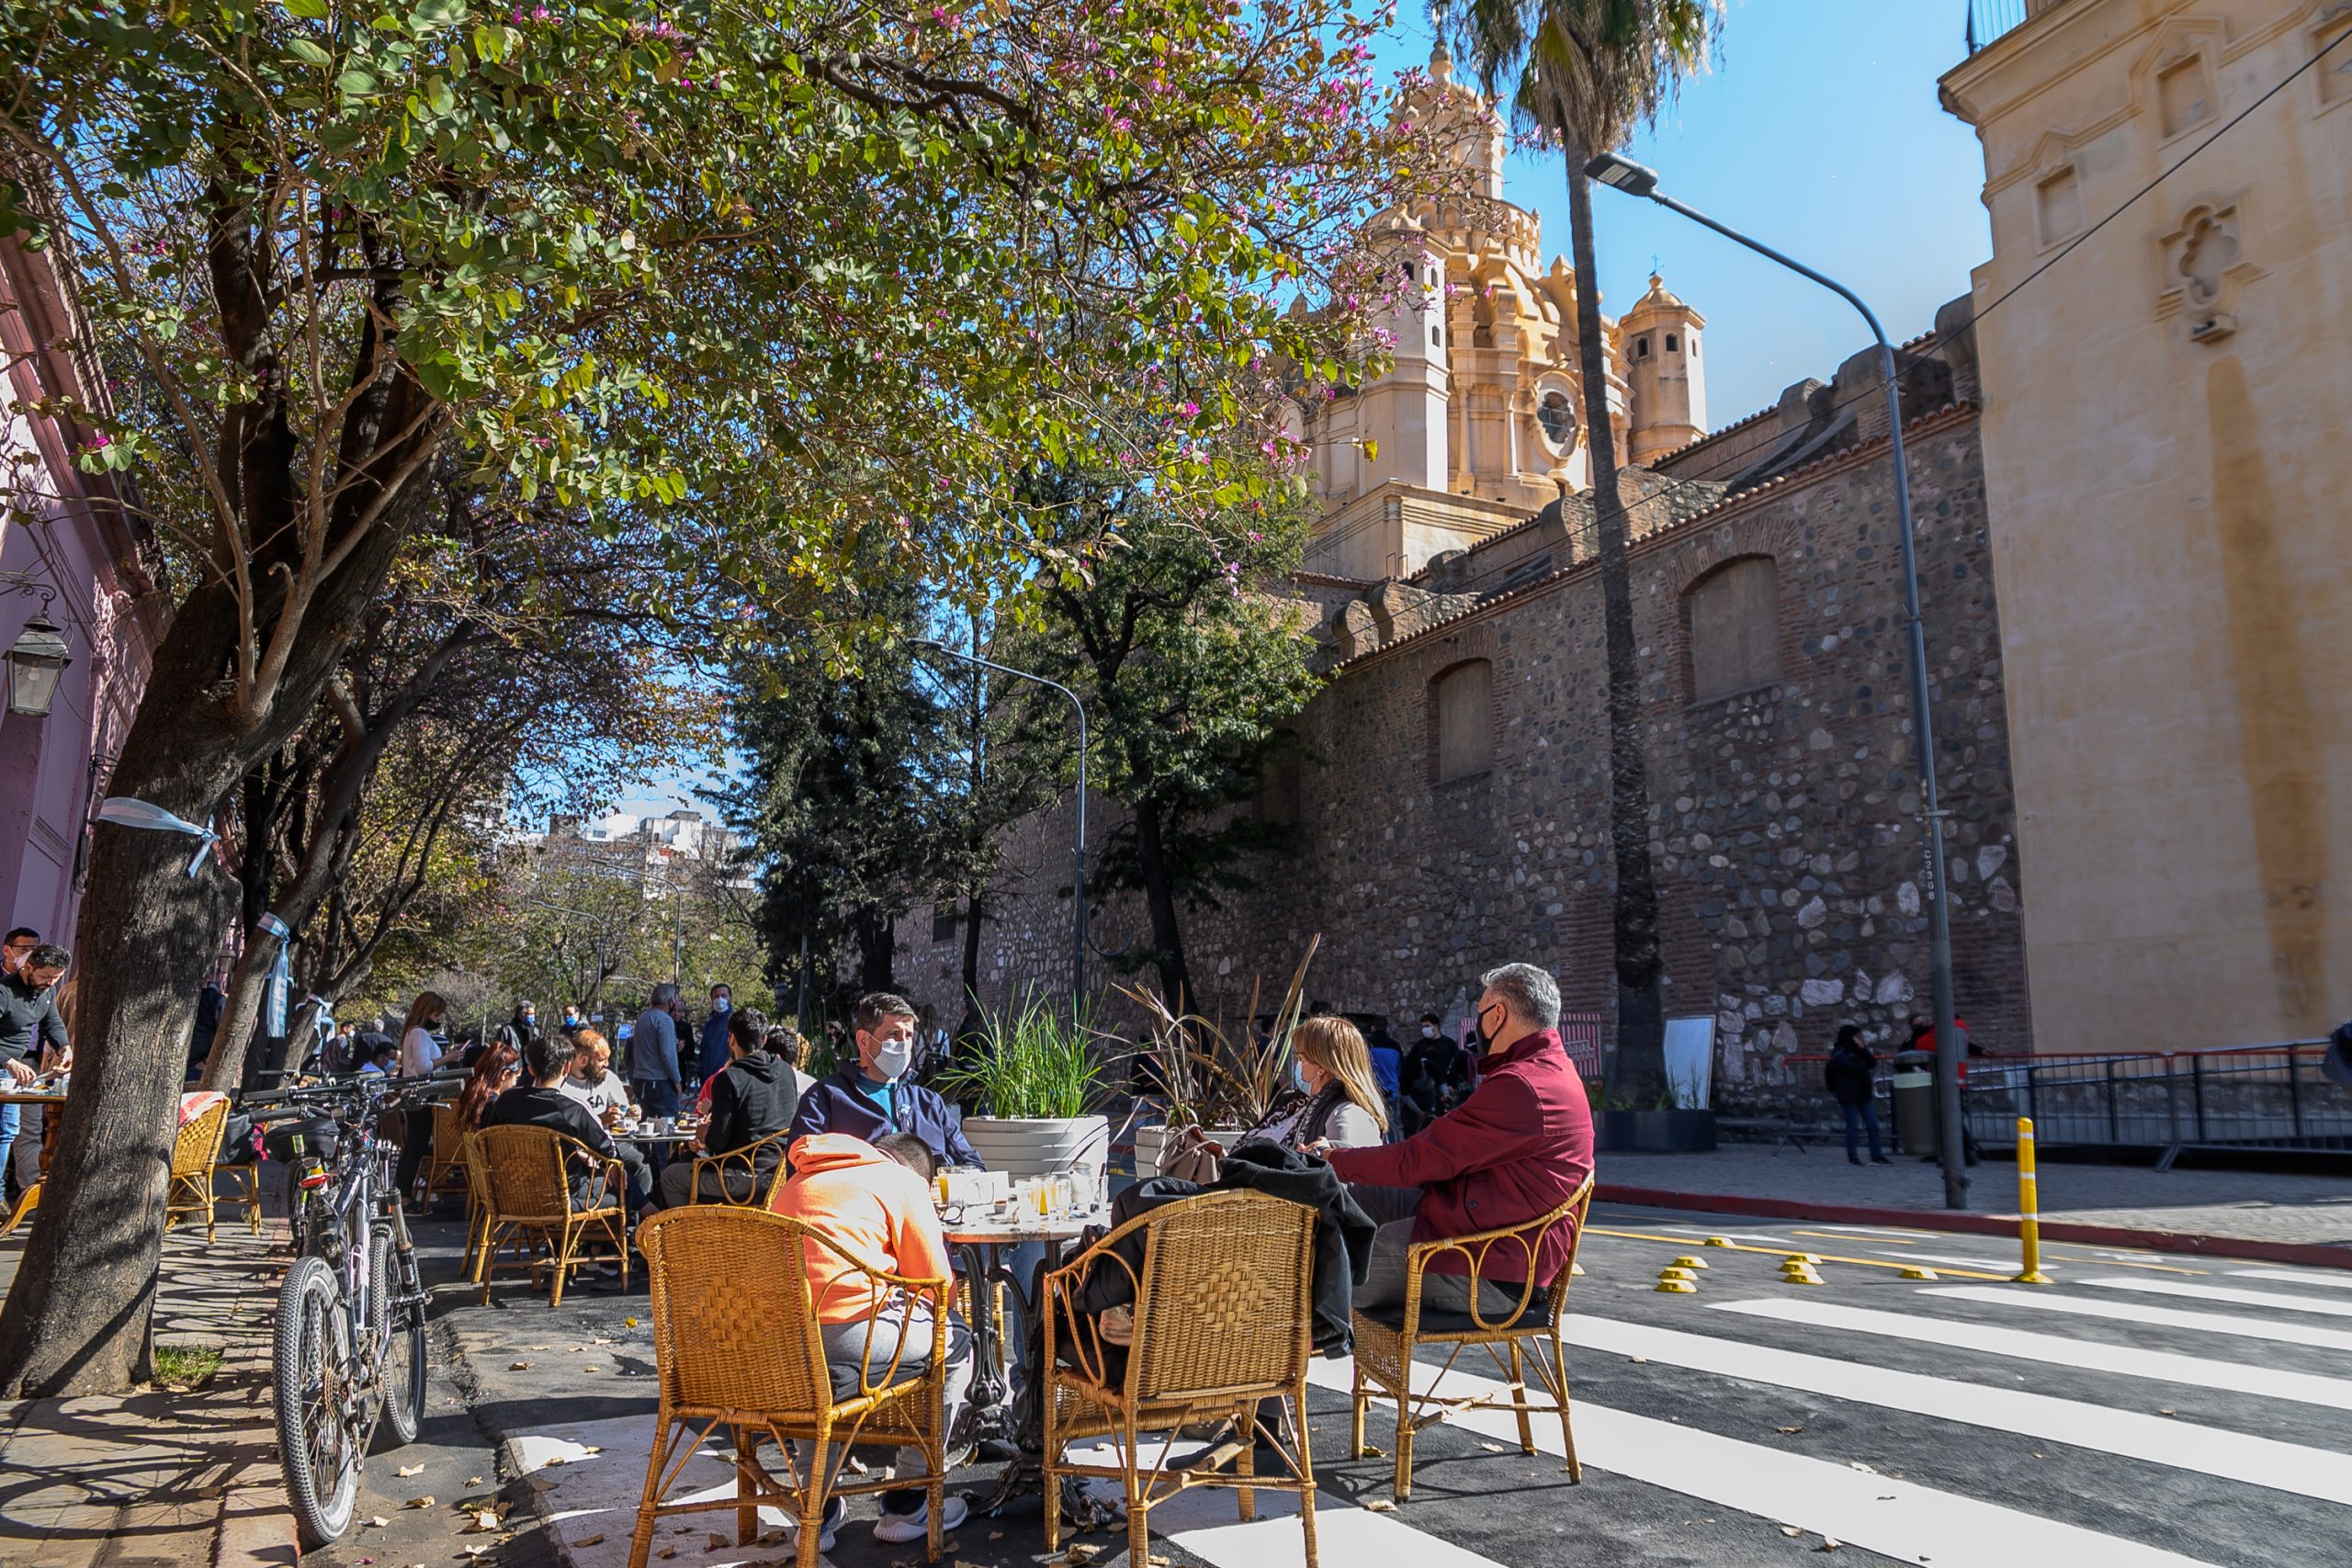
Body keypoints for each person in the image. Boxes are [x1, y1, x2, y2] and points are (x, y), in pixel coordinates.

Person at [1316, 963, 1593, 1318]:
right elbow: (1434, 1153)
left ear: (1497, 1016)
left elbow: (1417, 1160)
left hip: (1484, 1266)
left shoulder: (1522, 1085)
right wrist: (1337, 1159)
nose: (1477, 1026)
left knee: (1317, 1273)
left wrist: (1332, 1160)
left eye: (1479, 1014)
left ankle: (1274, 1357)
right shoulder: (1552, 1070)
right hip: (1488, 1234)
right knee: (1346, 1191)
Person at [771, 1129, 973, 1547]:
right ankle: (910, 1499)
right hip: (850, 1333)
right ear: (922, 1177)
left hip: (781, 1342)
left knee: (818, 1381)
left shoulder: (798, 1179)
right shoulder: (902, 1183)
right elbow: (940, 1289)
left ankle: (817, 1506)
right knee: (954, 1342)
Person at [1165, 1014, 1388, 1175]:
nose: (1296, 1064)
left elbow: (1346, 1173)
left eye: (1300, 1058)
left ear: (1321, 1066)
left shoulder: (1349, 1113)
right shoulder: (1291, 1102)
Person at [789, 992, 981, 1169]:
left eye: (908, 1036)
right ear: (864, 1040)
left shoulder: (928, 1103)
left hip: (929, 1203)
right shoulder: (826, 1098)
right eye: (893, 1034)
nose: (903, 1044)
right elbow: (803, 1168)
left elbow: (973, 1165)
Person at [481, 1032, 637, 1217]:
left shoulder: (506, 1100)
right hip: (561, 1198)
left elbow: (486, 1138)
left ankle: (558, 1243)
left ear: (530, 1069)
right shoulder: (572, 1109)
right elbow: (608, 1150)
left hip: (509, 1195)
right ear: (567, 1067)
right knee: (621, 1189)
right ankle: (594, 1245)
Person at [659, 1009, 797, 1207]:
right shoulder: (786, 1071)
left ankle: (689, 1233)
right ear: (764, 1039)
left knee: (671, 1176)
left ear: (731, 1039)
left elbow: (716, 1143)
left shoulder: (729, 1078)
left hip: (739, 1176)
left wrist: (704, 1133)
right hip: (779, 1173)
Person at [0, 942, 71, 1206]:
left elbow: (52, 1023)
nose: (50, 982)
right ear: (28, 967)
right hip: (6, 1065)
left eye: (56, 978)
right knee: (7, 1130)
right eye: (45, 977)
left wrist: (65, 1048)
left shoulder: (47, 992)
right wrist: (8, 1062)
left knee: (8, 1131)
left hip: (16, 1068)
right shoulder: (4, 991)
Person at [394, 990, 450, 1203]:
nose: (438, 1020)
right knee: (415, 1147)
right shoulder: (419, 1034)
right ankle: (405, 1196)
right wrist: (448, 1058)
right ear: (427, 1012)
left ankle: (404, 1195)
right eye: (436, 1016)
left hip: (416, 1095)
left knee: (413, 1147)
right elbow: (424, 1067)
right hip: (420, 1097)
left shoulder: (413, 1032)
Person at [1825, 1024, 1888, 1166]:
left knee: (1873, 1125)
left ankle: (1877, 1155)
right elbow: (1851, 1068)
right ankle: (1853, 1155)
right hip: (1848, 1095)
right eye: (1856, 1037)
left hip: (1863, 1094)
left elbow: (1872, 1063)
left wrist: (1864, 1050)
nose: (1859, 1039)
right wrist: (1863, 1063)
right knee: (1853, 1126)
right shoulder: (1839, 1053)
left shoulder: (1859, 1051)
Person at [1399, 1011, 1468, 1135]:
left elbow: (1457, 1064)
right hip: (1423, 1089)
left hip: (1443, 1086)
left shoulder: (1449, 1044)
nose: (1424, 1030)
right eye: (1423, 1027)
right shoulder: (1420, 1046)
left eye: (1427, 1026)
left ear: (1436, 1026)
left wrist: (1450, 1087)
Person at [629, 984, 684, 1121]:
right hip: (658, 1082)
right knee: (666, 1126)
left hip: (640, 1080)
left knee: (646, 1126)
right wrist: (677, 1082)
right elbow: (668, 1055)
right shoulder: (665, 1020)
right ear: (670, 1001)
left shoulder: (642, 1018)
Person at [563, 1030, 635, 1125]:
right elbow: (560, 1126)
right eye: (602, 1060)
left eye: (607, 1059)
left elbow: (623, 1110)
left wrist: (631, 1113)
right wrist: (598, 1120)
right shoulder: (560, 1083)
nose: (607, 1064)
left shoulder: (608, 1077)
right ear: (583, 1059)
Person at [455, 1043, 523, 1130]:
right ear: (505, 1074)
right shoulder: (498, 1106)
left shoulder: (472, 1095)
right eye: (516, 1078)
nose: (515, 1084)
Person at [695, 984, 734, 1091]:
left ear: (730, 998)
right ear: (711, 999)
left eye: (723, 995)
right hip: (707, 1081)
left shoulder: (734, 1022)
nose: (719, 999)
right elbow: (704, 1051)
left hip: (726, 1080)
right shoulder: (709, 1023)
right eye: (716, 996)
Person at [1363, 1020, 1404, 1113]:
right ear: (1387, 1029)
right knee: (1390, 1124)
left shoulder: (1365, 1043)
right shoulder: (1395, 1046)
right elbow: (1400, 1070)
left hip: (1370, 1092)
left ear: (1373, 1028)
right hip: (1390, 1092)